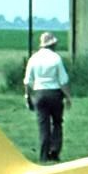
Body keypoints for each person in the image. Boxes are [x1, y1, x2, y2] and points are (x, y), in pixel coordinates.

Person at [23, 31, 72, 162]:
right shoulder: (56, 58)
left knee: (43, 125)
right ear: (52, 44)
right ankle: (55, 151)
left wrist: (27, 96)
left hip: (39, 94)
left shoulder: (33, 59)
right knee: (57, 123)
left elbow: (27, 81)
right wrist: (68, 97)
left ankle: (43, 155)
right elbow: (63, 80)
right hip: (55, 93)